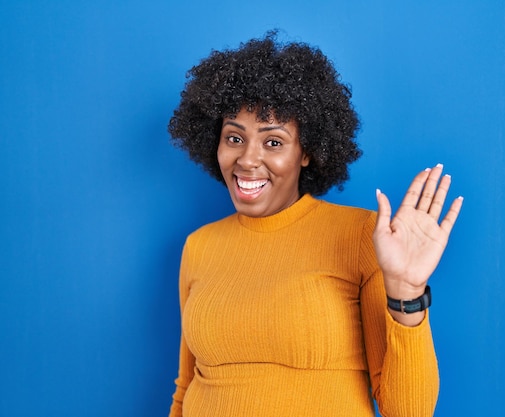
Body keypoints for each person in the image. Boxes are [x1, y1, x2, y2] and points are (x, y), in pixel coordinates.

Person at [167, 32, 463, 417]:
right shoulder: (199, 246)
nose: (248, 160)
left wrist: (406, 290)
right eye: (234, 137)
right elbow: (186, 387)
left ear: (306, 152)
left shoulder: (361, 237)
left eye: (273, 142)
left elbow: (409, 410)